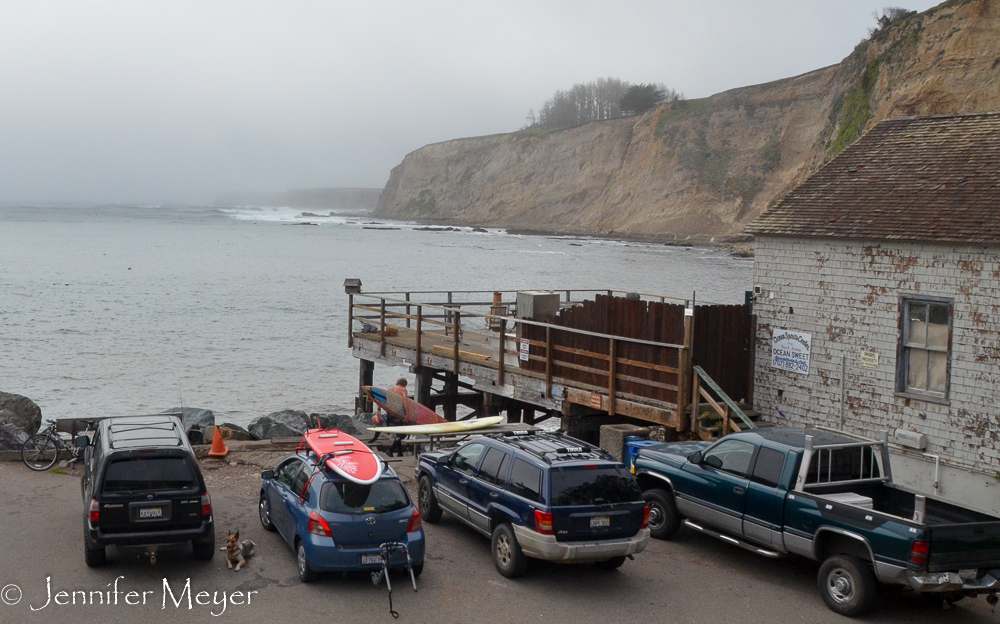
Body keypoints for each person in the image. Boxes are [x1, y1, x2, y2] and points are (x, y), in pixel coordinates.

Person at [369, 378, 410, 456]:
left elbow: (380, 399)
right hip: (398, 414)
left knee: (398, 432)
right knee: (402, 434)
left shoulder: (390, 389)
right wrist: (407, 413)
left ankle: (400, 453)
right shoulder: (403, 390)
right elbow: (405, 401)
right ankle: (390, 450)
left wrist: (379, 410)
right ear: (404, 384)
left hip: (390, 413)